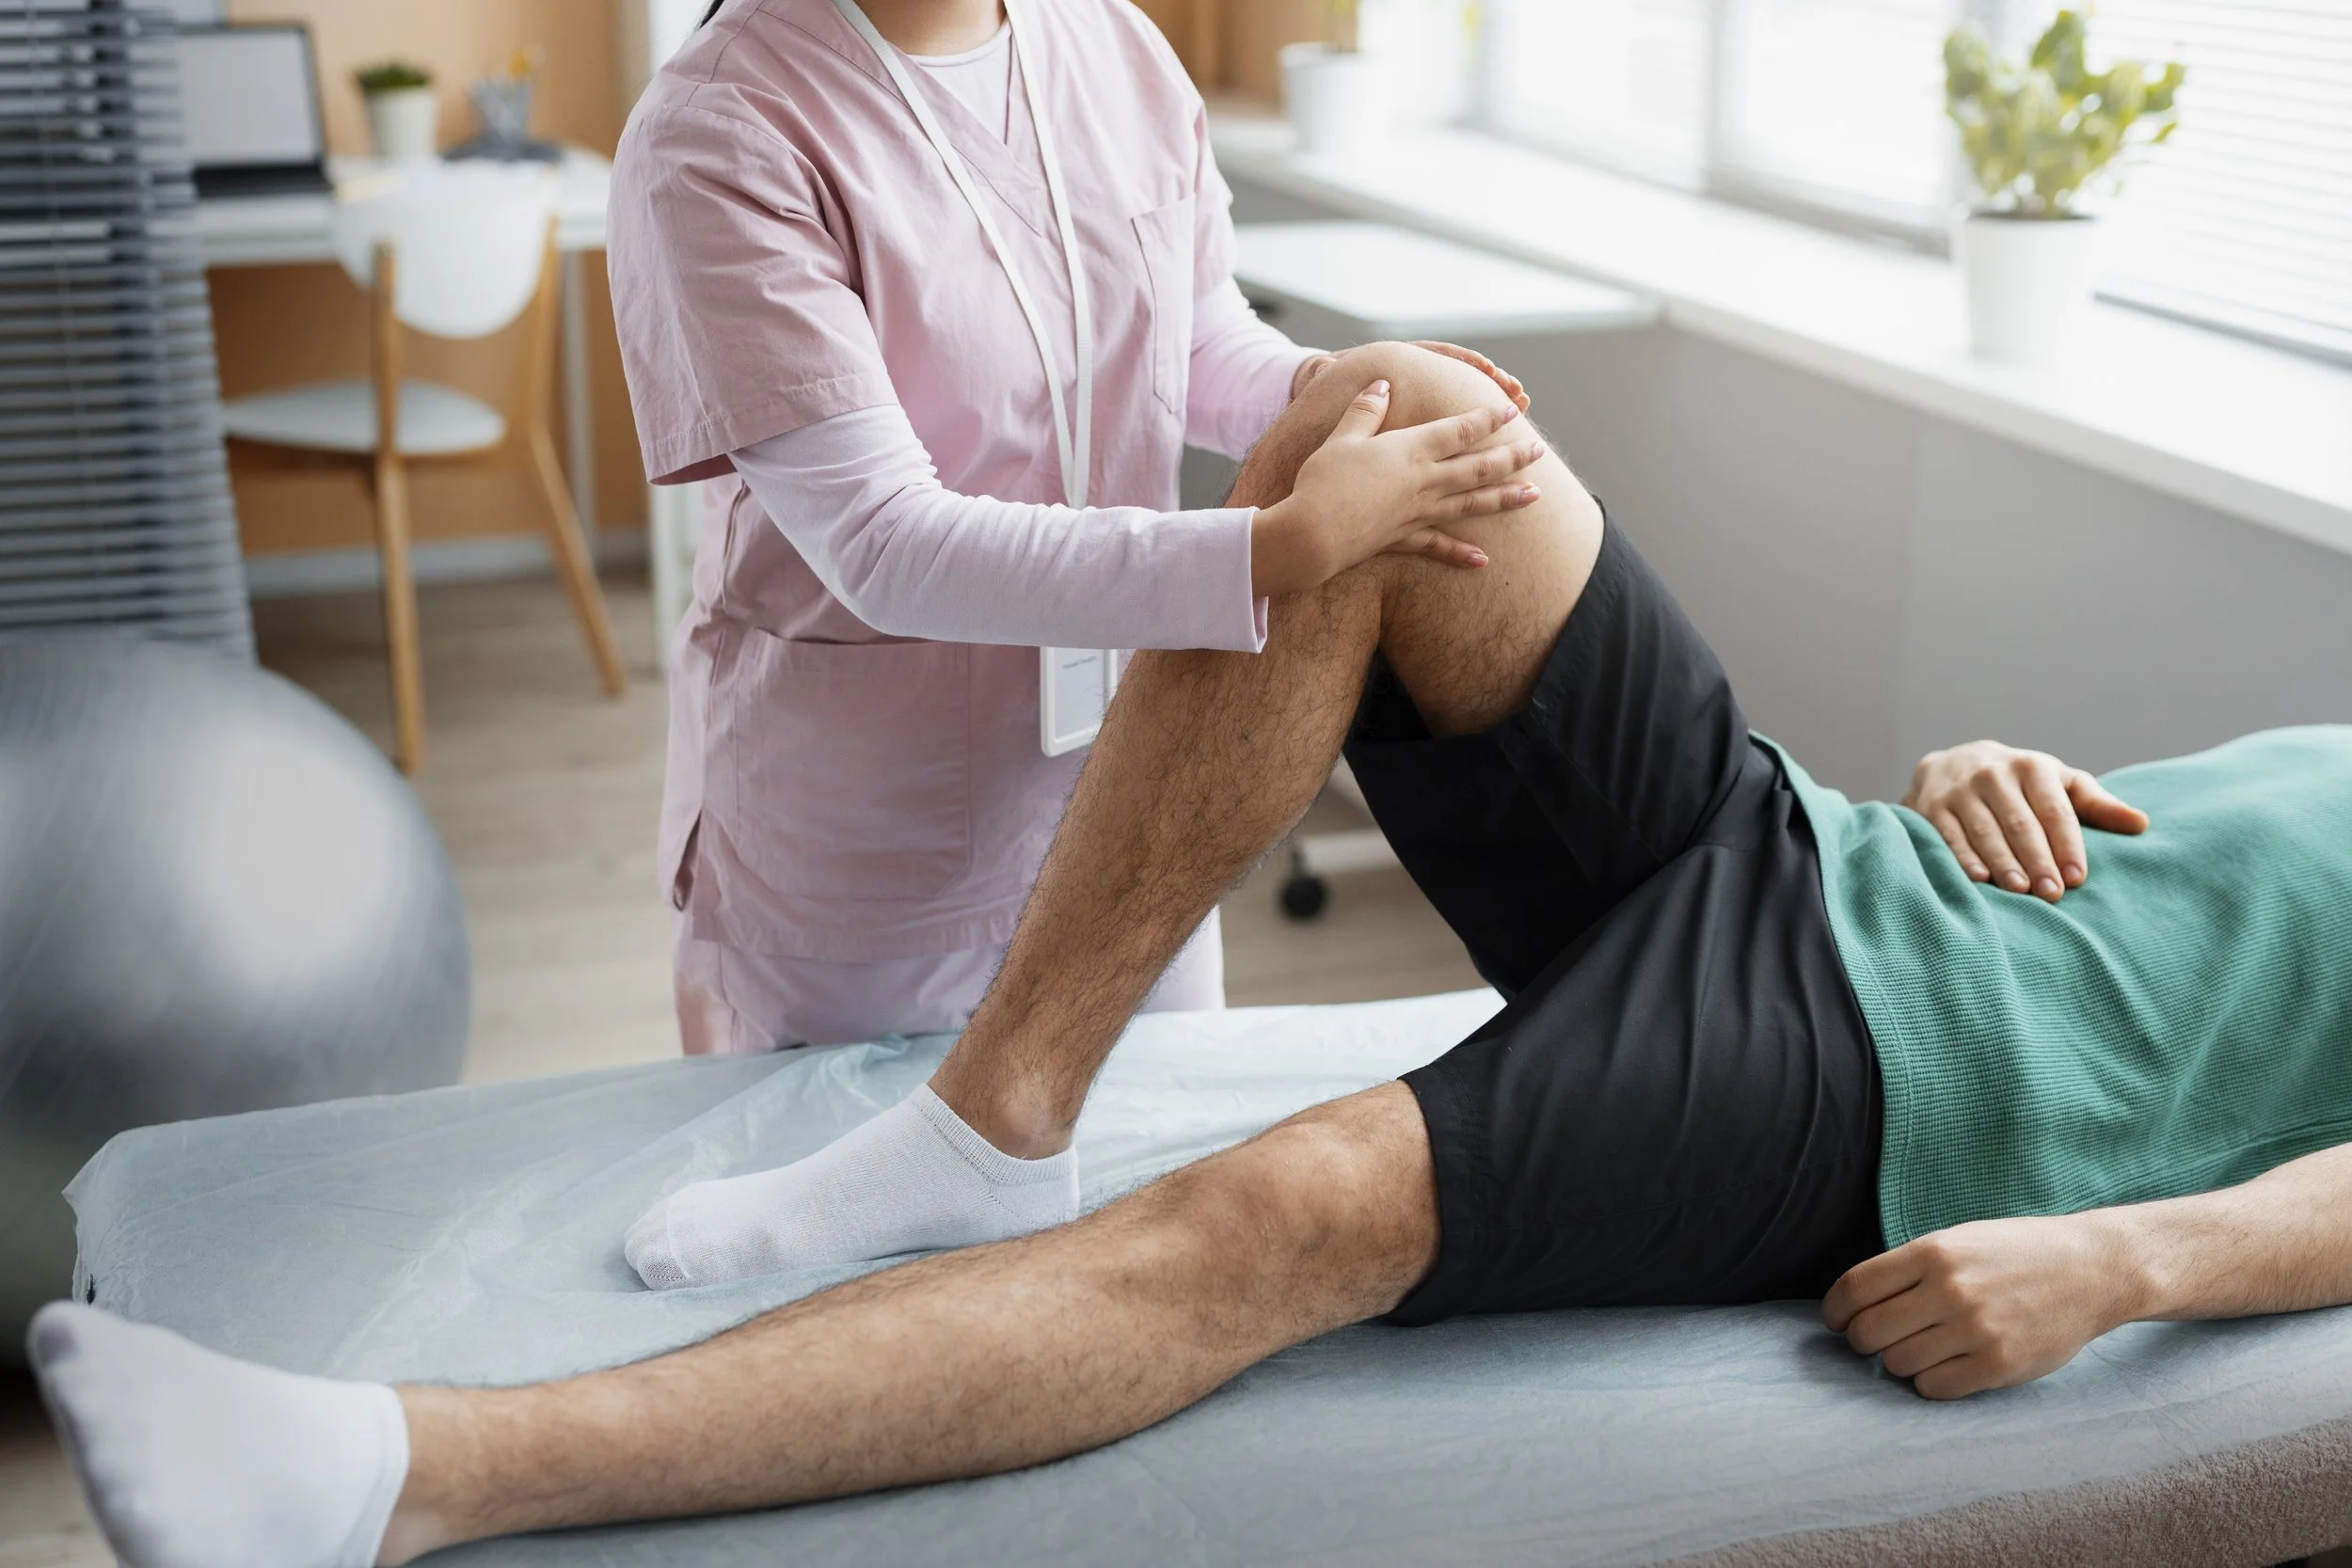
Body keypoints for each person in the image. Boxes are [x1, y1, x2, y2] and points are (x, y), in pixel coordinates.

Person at [33, 343, 2352, 1568]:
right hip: (1838, 860)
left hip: (1893, 1080)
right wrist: (1984, 758)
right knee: (1393, 413)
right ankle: (996, 1115)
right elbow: (2234, 888)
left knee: (1283, 1210)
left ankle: (399, 1471)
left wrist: (2121, 1266)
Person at [610, 0, 1540, 1055]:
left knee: (1150, 1193)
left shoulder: (1112, 45)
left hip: (1132, 801)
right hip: (866, 863)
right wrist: (1283, 547)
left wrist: (1334, 394)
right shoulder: (723, 127)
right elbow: (880, 540)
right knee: (880, 1213)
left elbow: (1185, 337)